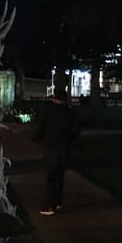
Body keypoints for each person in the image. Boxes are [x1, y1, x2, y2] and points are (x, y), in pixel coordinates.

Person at [36, 87, 79, 215]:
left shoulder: (48, 112)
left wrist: (40, 138)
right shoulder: (70, 113)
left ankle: (51, 205)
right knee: (60, 175)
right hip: (64, 147)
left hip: (51, 146)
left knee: (51, 176)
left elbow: (40, 128)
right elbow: (75, 130)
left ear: (55, 98)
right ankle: (58, 201)